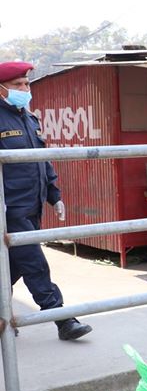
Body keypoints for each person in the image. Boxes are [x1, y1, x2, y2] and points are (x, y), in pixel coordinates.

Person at [0, 62, 92, 340]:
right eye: (18, 85)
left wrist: (54, 194)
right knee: (35, 262)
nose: (25, 90)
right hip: (10, 207)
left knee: (14, 266)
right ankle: (62, 318)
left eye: (27, 84)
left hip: (33, 204)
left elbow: (42, 161)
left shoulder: (30, 119)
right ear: (1, 89)